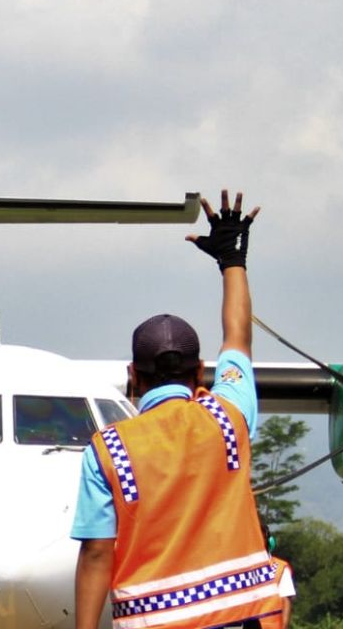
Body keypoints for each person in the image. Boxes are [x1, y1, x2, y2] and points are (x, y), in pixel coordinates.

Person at [72, 190, 287, 629]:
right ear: (201, 370)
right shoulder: (229, 414)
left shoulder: (108, 450)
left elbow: (97, 551)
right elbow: (238, 339)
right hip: (238, 618)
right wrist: (232, 261)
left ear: (133, 374)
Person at [242, 520, 295, 629]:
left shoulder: (280, 567)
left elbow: (286, 600)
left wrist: (283, 626)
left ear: (269, 541)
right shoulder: (242, 567)